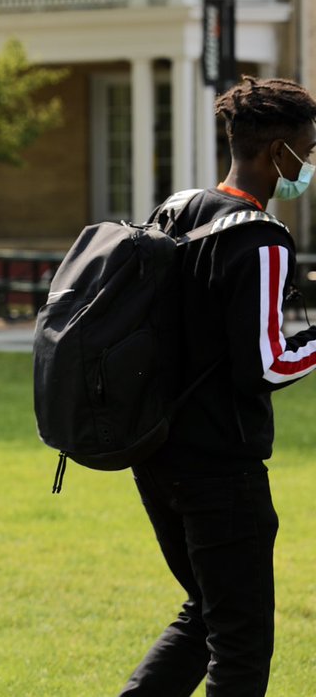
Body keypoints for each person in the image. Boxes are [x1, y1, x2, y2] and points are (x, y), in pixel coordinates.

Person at [117, 76, 316, 696]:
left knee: (206, 614)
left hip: (156, 454)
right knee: (241, 644)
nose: (308, 165)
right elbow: (266, 365)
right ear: (277, 151)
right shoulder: (263, 240)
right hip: (221, 471)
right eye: (307, 151)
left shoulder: (175, 210)